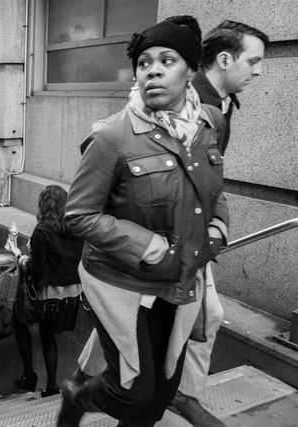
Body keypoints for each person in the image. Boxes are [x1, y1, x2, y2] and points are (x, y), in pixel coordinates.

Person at [58, 16, 229, 427]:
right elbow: (78, 215)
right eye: (144, 62)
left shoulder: (210, 123)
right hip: (120, 281)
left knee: (162, 393)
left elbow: (213, 189)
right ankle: (77, 398)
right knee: (133, 393)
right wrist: (151, 248)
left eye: (167, 60)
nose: (152, 69)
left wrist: (217, 228)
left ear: (190, 69)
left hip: (182, 278)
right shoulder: (112, 137)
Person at [164, 18, 268, 427]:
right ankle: (92, 388)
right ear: (224, 59)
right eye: (253, 61)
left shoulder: (220, 105)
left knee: (203, 315)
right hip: (167, 239)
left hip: (195, 236)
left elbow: (210, 180)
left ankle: (183, 396)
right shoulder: (188, 105)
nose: (258, 72)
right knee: (182, 318)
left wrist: (217, 225)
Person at [4, 185, 84, 397]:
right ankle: (51, 386)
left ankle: (30, 374)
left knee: (18, 319)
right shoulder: (75, 227)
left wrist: (18, 255)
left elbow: (37, 270)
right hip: (72, 295)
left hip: (49, 296)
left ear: (43, 206)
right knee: (48, 335)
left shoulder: (42, 231)